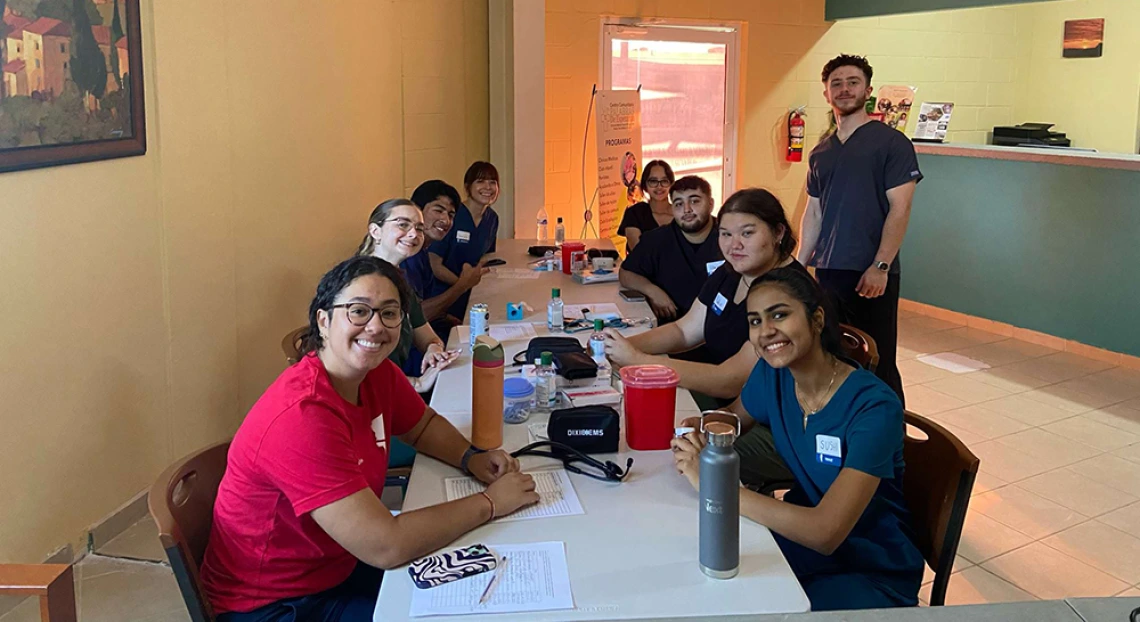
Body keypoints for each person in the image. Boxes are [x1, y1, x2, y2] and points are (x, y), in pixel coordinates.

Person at [200, 256, 540, 621]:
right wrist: (490, 503)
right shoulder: (302, 416)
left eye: (390, 313)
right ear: (324, 321)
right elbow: (386, 545)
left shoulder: (376, 373)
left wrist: (469, 457)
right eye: (359, 311)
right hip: (275, 603)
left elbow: (421, 425)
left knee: (481, 587)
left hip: (338, 562)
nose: (375, 327)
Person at [670, 267, 923, 611]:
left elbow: (824, 532)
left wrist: (713, 485)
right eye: (755, 321)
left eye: (780, 315)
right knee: (700, 574)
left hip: (869, 568)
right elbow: (734, 418)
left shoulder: (873, 407)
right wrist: (699, 428)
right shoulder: (773, 374)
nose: (766, 331)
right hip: (798, 542)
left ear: (816, 319)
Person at [798, 54, 922, 406]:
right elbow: (815, 212)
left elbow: (901, 207)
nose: (844, 89)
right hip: (830, 271)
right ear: (826, 94)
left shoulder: (891, 143)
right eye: (835, 83)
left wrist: (881, 265)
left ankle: (891, 439)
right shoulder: (822, 151)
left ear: (867, 91)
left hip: (872, 274)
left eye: (852, 82)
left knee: (877, 361)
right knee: (833, 356)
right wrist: (798, 266)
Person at [606, 188, 806, 401]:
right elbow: (683, 331)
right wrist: (617, 347)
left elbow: (730, 381)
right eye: (726, 234)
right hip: (727, 400)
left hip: (769, 419)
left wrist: (638, 360)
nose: (734, 245)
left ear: (778, 233)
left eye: (747, 233)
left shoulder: (787, 293)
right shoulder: (732, 271)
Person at [357, 198, 458, 392]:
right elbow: (360, 366)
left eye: (419, 228)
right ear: (375, 231)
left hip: (396, 390)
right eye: (403, 224)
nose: (413, 234)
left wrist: (434, 350)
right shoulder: (358, 287)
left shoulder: (398, 282)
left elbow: (429, 338)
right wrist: (416, 383)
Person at [618, 175, 723, 325]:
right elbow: (626, 273)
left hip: (721, 328)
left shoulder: (729, 238)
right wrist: (652, 291)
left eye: (694, 201)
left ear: (711, 204)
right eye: (679, 204)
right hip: (672, 329)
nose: (687, 210)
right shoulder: (657, 239)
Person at [428, 162, 501, 320]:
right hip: (442, 296)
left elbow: (486, 256)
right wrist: (463, 284)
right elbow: (434, 264)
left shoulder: (492, 219)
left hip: (471, 294)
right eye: (480, 181)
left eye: (492, 182)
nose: (488, 187)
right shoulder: (452, 216)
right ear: (467, 187)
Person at [408, 180, 488, 323]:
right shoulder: (408, 256)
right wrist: (463, 285)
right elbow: (415, 319)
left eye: (451, 215)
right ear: (416, 211)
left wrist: (453, 322)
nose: (446, 220)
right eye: (438, 210)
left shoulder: (423, 251)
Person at [617, 159, 675, 251]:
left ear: (671, 185)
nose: (659, 186)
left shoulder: (681, 213)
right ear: (645, 186)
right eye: (653, 181)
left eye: (664, 181)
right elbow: (638, 252)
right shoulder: (635, 213)